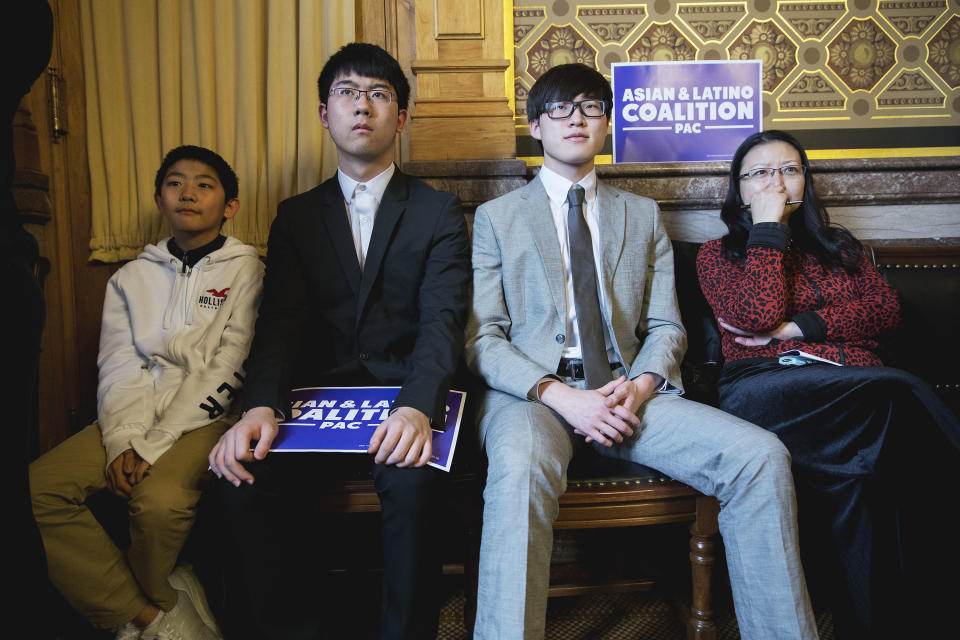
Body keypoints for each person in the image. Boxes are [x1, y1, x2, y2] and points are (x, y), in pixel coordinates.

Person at [465, 63, 818, 640]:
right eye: (560, 108)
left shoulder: (641, 213)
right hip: (533, 395)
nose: (576, 119)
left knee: (760, 457)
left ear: (608, 124)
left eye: (591, 108)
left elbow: (666, 326)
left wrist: (642, 385)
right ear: (536, 126)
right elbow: (483, 338)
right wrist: (563, 397)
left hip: (632, 390)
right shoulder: (496, 219)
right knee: (519, 465)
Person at [207, 42, 470, 640]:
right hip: (314, 401)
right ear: (324, 113)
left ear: (400, 119)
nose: (363, 106)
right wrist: (258, 407)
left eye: (380, 95)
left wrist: (416, 403)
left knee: (415, 477)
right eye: (348, 93)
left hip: (402, 395)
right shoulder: (296, 217)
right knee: (242, 478)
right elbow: (279, 323)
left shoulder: (437, 212)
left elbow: (443, 321)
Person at [696, 129, 960, 638]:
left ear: (805, 181)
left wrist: (798, 328)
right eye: (760, 173)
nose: (776, 181)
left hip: (853, 392)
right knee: (896, 391)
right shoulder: (719, 255)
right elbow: (756, 313)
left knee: (857, 477)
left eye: (789, 170)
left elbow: (884, 309)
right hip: (768, 390)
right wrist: (768, 229)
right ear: (738, 189)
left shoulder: (840, 247)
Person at [30, 145, 264, 640]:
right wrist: (123, 440)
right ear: (160, 198)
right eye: (176, 183)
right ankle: (155, 613)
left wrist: (153, 445)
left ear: (230, 206)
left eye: (205, 184)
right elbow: (119, 366)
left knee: (157, 502)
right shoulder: (130, 278)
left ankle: (155, 594)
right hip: (130, 416)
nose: (188, 193)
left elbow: (230, 366)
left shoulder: (248, 270)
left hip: (207, 419)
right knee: (34, 491)